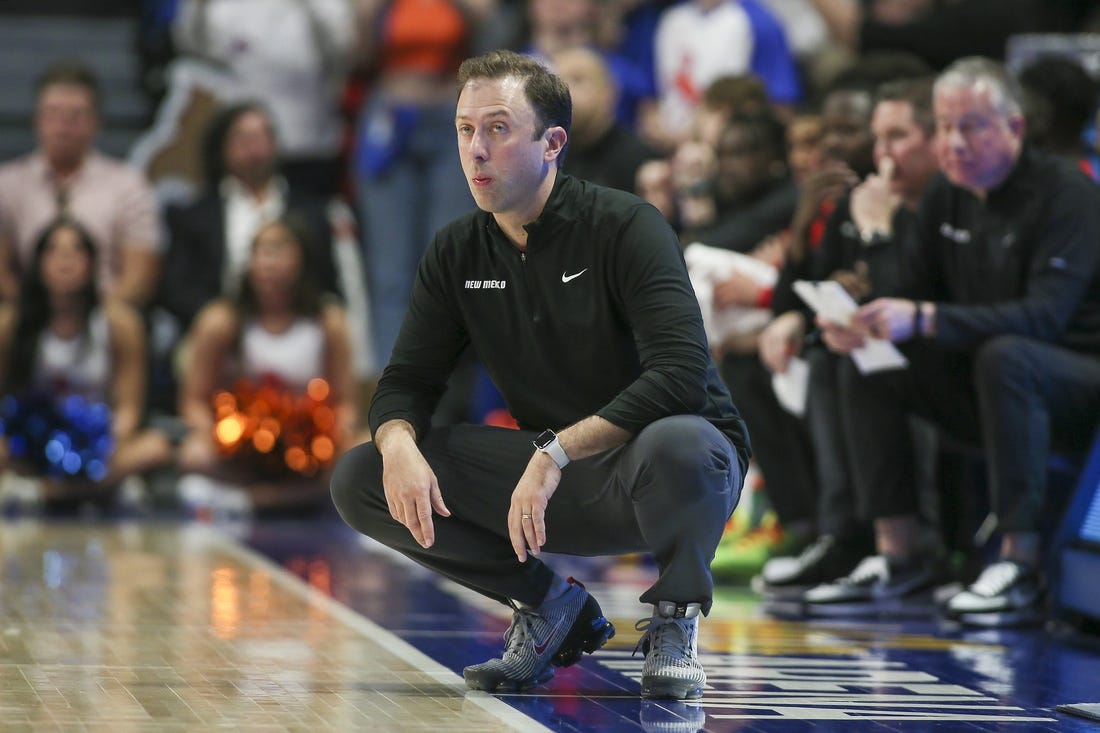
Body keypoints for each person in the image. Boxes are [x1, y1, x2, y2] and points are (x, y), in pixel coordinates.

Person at [330, 50, 749, 699]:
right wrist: (398, 443)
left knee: (682, 441)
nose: (475, 149)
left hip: (663, 472)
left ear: (552, 141)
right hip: (553, 479)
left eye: (497, 128)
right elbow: (407, 379)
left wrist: (555, 450)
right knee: (362, 475)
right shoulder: (458, 249)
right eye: (465, 129)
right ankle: (551, 606)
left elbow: (681, 375)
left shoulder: (626, 225)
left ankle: (675, 618)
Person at [806, 58, 1100, 626]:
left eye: (972, 126)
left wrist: (925, 318)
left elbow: (1043, 317)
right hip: (988, 382)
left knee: (1007, 354)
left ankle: (1020, 563)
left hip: (1075, 382)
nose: (955, 142)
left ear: (1014, 128)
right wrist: (862, 322)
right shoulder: (947, 196)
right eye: (944, 127)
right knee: (869, 361)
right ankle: (900, 554)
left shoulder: (1070, 196)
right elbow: (910, 295)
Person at [755, 77, 940, 596]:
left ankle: (891, 542)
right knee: (819, 351)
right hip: (873, 347)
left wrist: (878, 238)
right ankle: (832, 533)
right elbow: (810, 286)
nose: (836, 143)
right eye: (829, 130)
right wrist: (803, 223)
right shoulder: (844, 200)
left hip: (934, 351)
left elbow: (908, 289)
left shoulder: (922, 200)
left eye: (850, 130)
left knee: (848, 360)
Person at [177, 216, 357, 515]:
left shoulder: (328, 321)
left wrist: (329, 437)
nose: (267, 262)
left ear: (303, 259)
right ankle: (296, 498)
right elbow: (193, 401)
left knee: (359, 453)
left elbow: (346, 402)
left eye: (278, 250)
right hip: (243, 450)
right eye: (259, 251)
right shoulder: (222, 320)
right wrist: (222, 437)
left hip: (308, 449)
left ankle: (249, 500)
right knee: (194, 453)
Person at [0, 218, 173, 509]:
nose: (65, 259)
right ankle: (99, 490)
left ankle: (43, 492)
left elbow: (128, 407)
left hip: (98, 442)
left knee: (156, 447)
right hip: (30, 443)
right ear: (37, 263)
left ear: (93, 263)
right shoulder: (11, 324)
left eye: (77, 250)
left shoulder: (119, 324)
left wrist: (100, 445)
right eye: (53, 250)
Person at [159, 102, 343, 336]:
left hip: (297, 326)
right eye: (243, 138)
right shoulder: (194, 216)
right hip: (220, 334)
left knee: (334, 318)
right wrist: (223, 317)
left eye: (262, 136)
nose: (254, 147)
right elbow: (176, 289)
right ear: (223, 148)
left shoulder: (312, 211)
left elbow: (328, 282)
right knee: (213, 326)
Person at [0, 62, 161, 308]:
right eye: (53, 114)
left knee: (126, 325)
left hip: (105, 315)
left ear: (96, 122)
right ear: (37, 120)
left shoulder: (128, 184)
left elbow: (139, 277)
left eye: (75, 116)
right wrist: (31, 317)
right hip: (28, 316)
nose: (63, 126)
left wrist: (90, 322)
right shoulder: (7, 183)